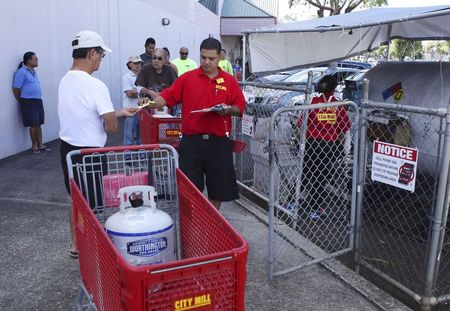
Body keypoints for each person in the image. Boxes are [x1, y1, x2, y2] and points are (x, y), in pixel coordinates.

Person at [142, 38, 246, 209]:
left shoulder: (229, 81)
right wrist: (148, 104)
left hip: (218, 143)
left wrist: (227, 110)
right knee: (189, 189)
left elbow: (239, 106)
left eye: (211, 58)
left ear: (220, 57)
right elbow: (167, 97)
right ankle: (192, 224)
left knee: (218, 190)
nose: (206, 62)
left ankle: (212, 222)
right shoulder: (187, 79)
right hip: (191, 142)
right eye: (203, 57)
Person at [58, 30, 137, 258]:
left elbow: (85, 114)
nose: (101, 60)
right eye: (101, 55)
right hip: (90, 154)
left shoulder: (66, 80)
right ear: (92, 53)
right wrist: (113, 118)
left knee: (75, 198)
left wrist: (119, 111)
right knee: (93, 204)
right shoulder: (95, 85)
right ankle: (93, 248)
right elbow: (111, 127)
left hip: (68, 150)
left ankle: (75, 244)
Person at [299, 75, 350, 219]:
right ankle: (315, 209)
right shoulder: (338, 105)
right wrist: (337, 145)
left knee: (305, 174)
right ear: (334, 89)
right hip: (328, 146)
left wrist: (301, 142)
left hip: (311, 143)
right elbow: (342, 131)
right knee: (320, 179)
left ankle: (291, 202)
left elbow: (301, 124)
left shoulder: (314, 102)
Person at [12, 52, 50, 153]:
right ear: (28, 60)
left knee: (39, 123)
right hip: (28, 101)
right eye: (35, 59)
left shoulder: (34, 72)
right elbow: (16, 88)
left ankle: (40, 144)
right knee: (33, 124)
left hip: (37, 100)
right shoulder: (21, 72)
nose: (37, 61)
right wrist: (21, 100)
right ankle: (34, 146)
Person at [135, 48, 178, 114]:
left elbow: (176, 89)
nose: (156, 60)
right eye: (154, 58)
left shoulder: (170, 70)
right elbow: (138, 88)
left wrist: (163, 95)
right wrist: (149, 92)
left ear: (165, 60)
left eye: (159, 58)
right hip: (149, 105)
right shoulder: (145, 68)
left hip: (167, 105)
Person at [122, 56, 143, 147]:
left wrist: (135, 91)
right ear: (130, 64)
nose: (138, 65)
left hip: (142, 111)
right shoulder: (126, 77)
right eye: (135, 63)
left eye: (139, 63)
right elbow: (129, 94)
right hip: (130, 111)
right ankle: (128, 158)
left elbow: (132, 93)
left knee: (141, 138)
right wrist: (142, 92)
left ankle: (142, 157)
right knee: (129, 138)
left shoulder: (143, 76)